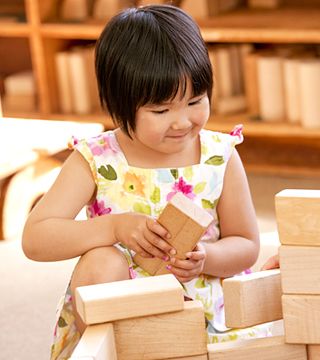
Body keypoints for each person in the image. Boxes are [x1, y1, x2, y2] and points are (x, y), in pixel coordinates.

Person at [22, 5, 272, 359]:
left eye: (195, 101)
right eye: (161, 110)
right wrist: (113, 228)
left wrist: (207, 257)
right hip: (122, 316)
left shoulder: (220, 155)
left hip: (201, 317)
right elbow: (36, 238)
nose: (183, 121)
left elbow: (246, 243)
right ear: (120, 105)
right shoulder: (96, 159)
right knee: (102, 260)